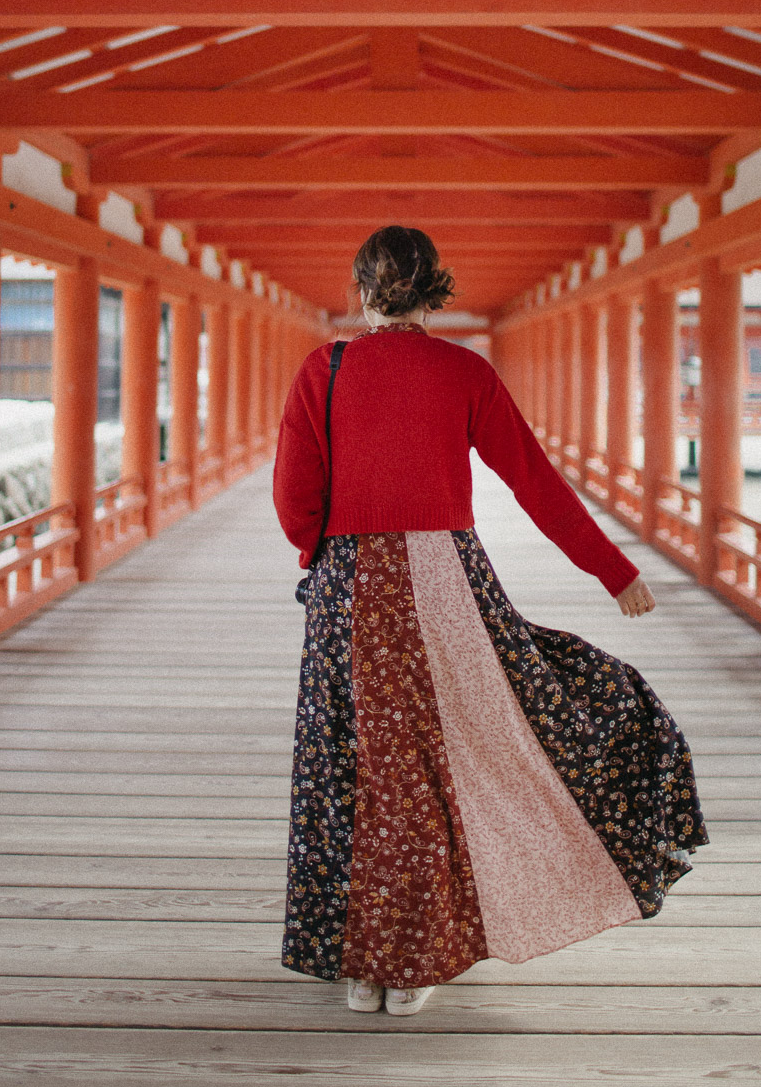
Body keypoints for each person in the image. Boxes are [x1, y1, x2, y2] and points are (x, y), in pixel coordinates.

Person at [273, 225, 707, 1017]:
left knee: (355, 769)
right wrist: (614, 571)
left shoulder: (323, 369)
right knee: (451, 762)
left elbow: (293, 500)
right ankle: (412, 965)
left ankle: (359, 962)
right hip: (448, 583)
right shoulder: (464, 372)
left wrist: (328, 552)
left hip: (347, 586)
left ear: (360, 290)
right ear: (433, 288)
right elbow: (535, 482)